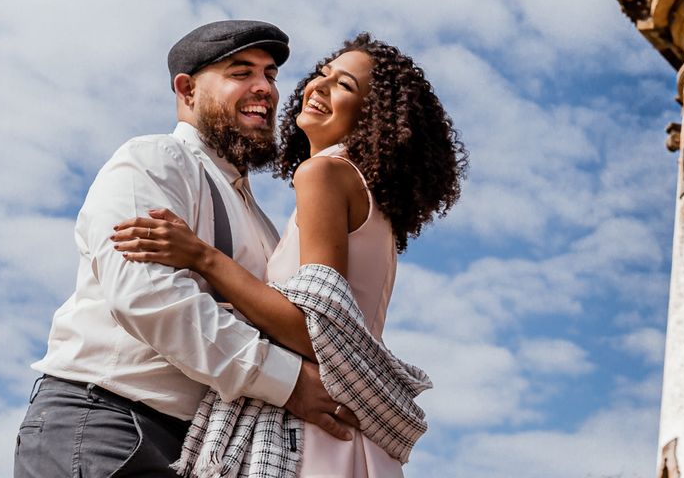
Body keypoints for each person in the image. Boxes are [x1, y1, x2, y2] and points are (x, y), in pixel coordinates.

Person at [111, 32, 466, 478]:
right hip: (353, 438)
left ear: (372, 115)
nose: (317, 86)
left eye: (344, 86)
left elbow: (317, 330)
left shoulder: (323, 174)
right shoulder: (372, 205)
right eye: (322, 74)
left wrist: (203, 257)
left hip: (311, 437)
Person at [15, 20, 359, 477]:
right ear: (187, 89)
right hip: (108, 423)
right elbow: (147, 297)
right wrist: (289, 382)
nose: (265, 88)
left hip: (195, 446)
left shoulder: (263, 223)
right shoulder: (153, 160)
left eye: (271, 75)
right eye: (241, 73)